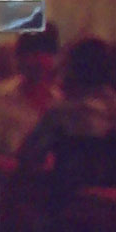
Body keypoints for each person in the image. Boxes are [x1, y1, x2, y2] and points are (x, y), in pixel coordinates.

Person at [16, 38, 116, 202]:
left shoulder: (62, 114)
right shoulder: (111, 108)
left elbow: (27, 155)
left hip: (72, 208)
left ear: (73, 71)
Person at [0, 25, 60, 168]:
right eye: (31, 54)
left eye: (44, 54)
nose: (37, 61)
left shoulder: (59, 101)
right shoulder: (0, 98)